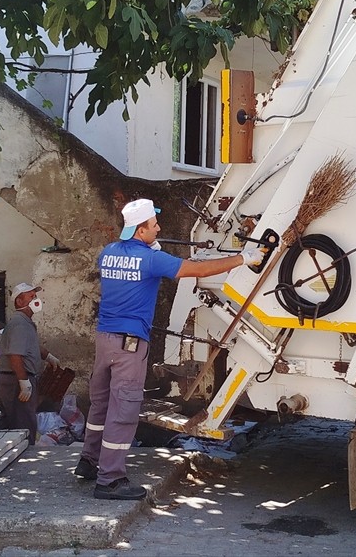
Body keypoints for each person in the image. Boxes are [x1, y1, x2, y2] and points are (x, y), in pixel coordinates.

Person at [77, 198, 264, 500]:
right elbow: (199, 270)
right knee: (123, 411)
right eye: (154, 225)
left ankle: (88, 461)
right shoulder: (151, 260)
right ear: (140, 230)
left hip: (105, 339)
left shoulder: (108, 252)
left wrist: (149, 248)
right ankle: (109, 480)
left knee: (100, 405)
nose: (159, 228)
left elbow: (129, 266)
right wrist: (244, 258)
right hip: (130, 343)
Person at [0, 282, 61, 442]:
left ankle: (6, 455)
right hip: (15, 379)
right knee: (23, 423)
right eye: (31, 296)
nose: (35, 299)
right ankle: (22, 458)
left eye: (35, 296)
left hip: (14, 378)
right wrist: (24, 382)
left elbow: (31, 345)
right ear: (19, 302)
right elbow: (15, 355)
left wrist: (48, 356)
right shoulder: (19, 324)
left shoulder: (24, 323)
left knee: (12, 423)